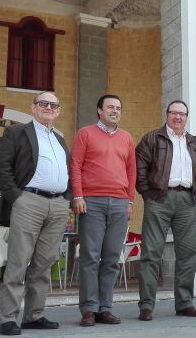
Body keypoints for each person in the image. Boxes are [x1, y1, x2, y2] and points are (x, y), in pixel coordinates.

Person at [0, 91, 71, 336]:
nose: (48, 107)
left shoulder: (59, 139)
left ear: (58, 111)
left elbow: (67, 170)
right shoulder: (17, 132)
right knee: (18, 261)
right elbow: (2, 168)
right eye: (43, 103)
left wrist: (67, 198)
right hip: (29, 201)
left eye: (53, 105)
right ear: (33, 107)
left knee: (44, 263)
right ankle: (7, 318)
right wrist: (18, 198)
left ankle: (33, 315)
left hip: (58, 204)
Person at [135, 100, 196, 321]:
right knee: (151, 253)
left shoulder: (194, 142)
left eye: (182, 114)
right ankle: (146, 305)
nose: (177, 117)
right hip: (159, 199)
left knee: (188, 253)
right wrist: (149, 194)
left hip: (187, 200)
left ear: (186, 117)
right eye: (173, 113)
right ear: (167, 115)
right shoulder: (152, 139)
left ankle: (184, 303)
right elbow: (140, 169)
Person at [70, 94, 136, 327]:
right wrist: (78, 195)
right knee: (90, 257)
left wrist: (130, 202)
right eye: (110, 107)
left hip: (119, 203)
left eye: (118, 108)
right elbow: (75, 165)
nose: (115, 111)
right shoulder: (85, 133)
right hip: (92, 202)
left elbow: (131, 172)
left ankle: (105, 308)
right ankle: (89, 309)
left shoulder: (126, 138)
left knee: (111, 259)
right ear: (99, 111)